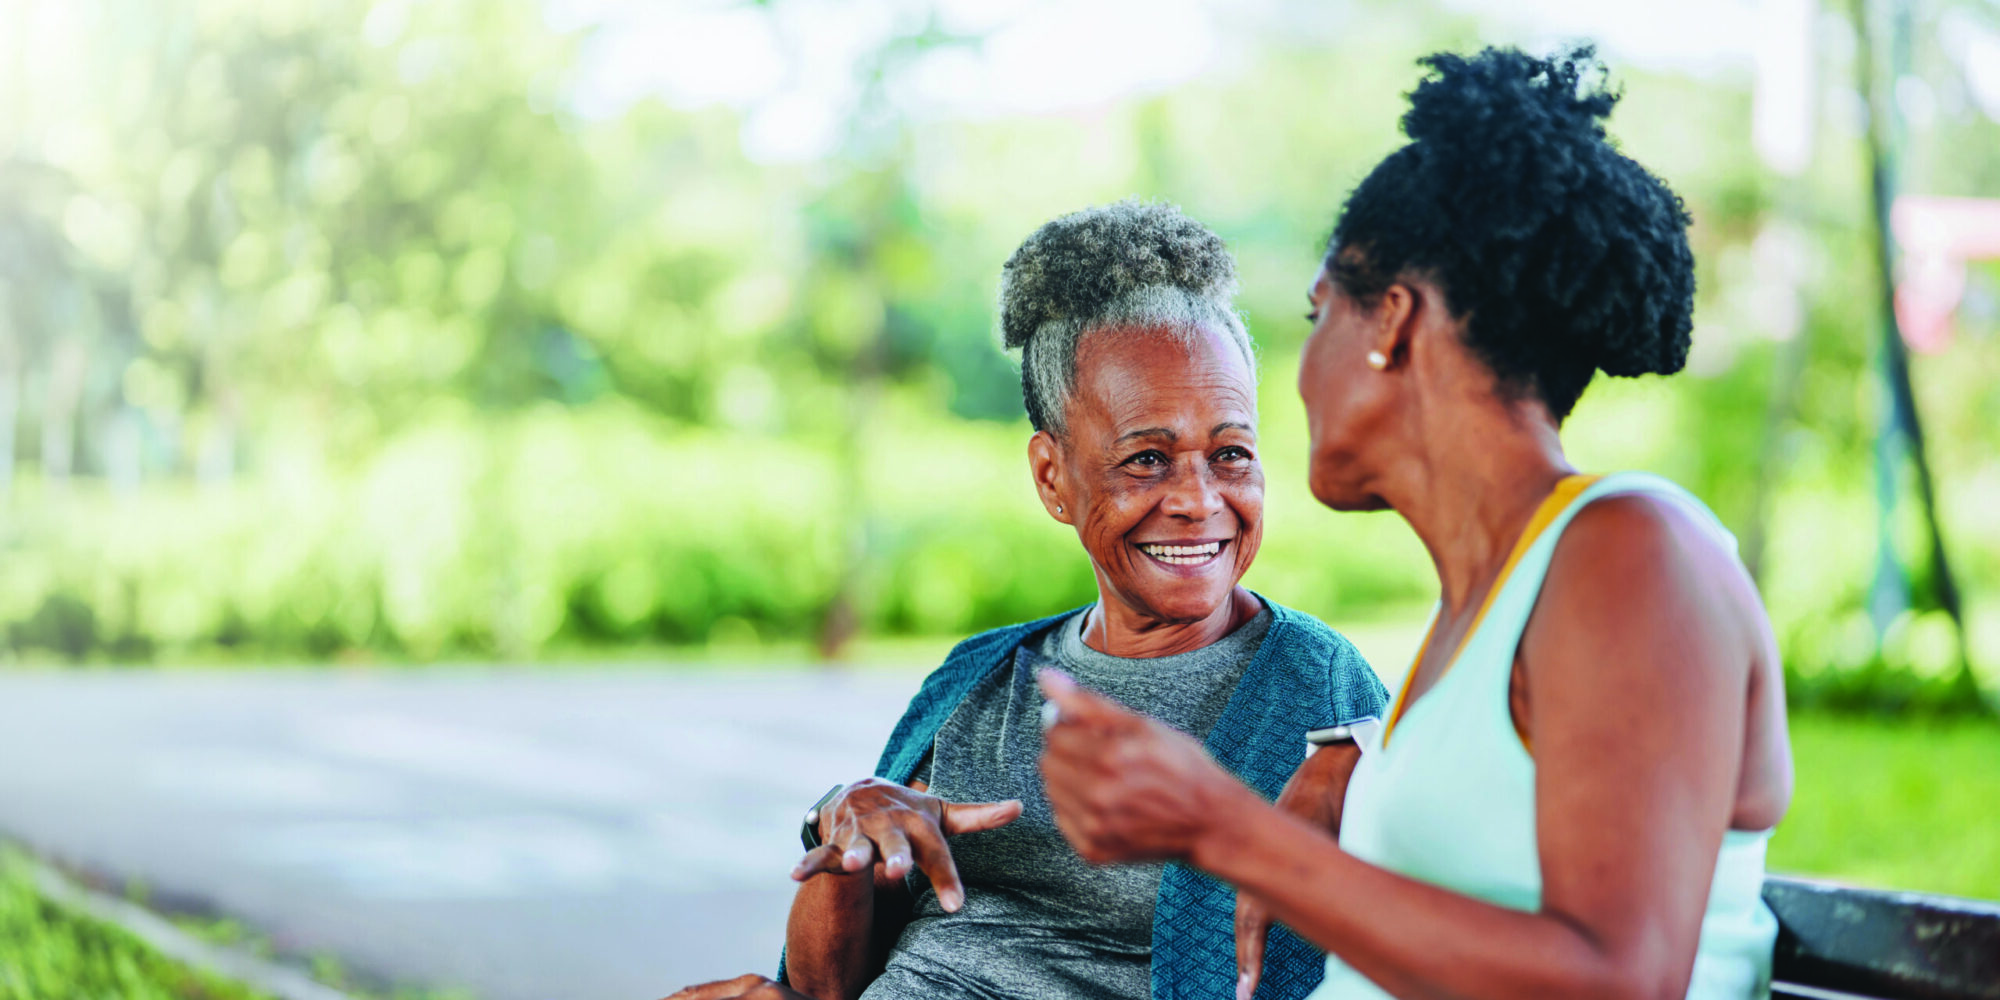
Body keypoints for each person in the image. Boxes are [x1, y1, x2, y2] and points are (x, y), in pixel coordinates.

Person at [1036, 46, 1793, 1000]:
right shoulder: (1485, 604)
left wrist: (1226, 829)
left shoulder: (1633, 553)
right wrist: (1360, 753)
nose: (1299, 377)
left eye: (1318, 315)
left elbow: (1621, 981)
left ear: (1392, 322)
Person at [665, 201, 1386, 1000]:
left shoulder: (1317, 688)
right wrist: (847, 833)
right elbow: (818, 987)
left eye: (1232, 453)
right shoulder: (976, 680)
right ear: (1053, 477)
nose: (1197, 498)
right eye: (1146, 460)